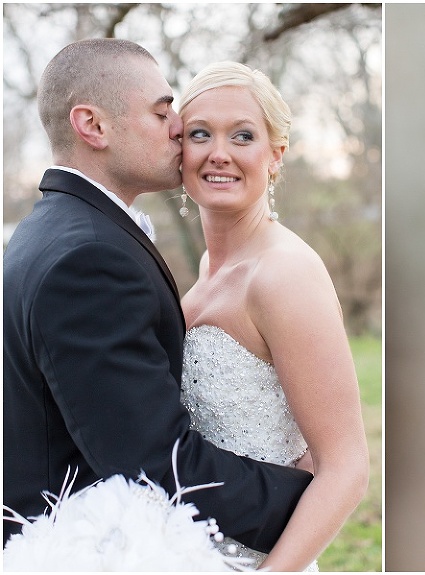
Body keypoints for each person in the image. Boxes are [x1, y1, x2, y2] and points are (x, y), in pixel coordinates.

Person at [3, 39, 313, 553]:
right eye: (161, 110)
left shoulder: (49, 233)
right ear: (93, 126)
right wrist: (305, 496)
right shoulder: (88, 258)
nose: (177, 128)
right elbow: (153, 457)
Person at [176, 61, 369, 571]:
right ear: (180, 151)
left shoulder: (284, 273)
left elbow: (346, 467)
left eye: (242, 135)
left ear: (275, 156)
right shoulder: (207, 269)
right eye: (200, 134)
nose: (219, 153)